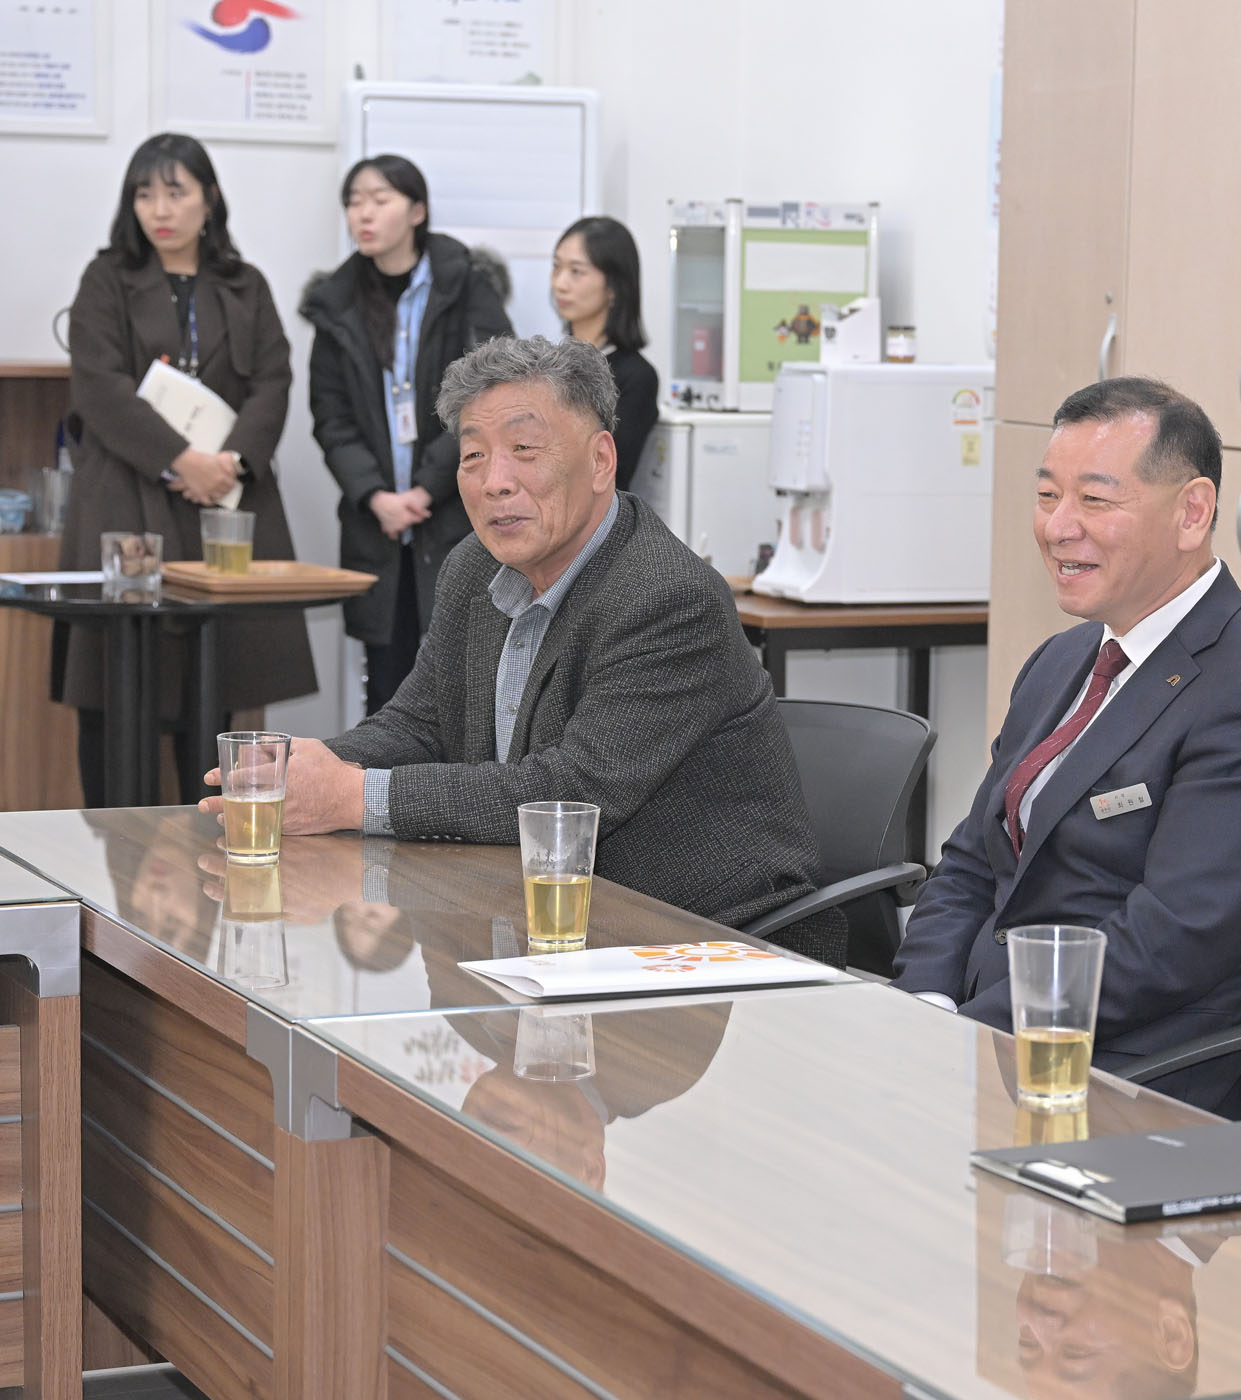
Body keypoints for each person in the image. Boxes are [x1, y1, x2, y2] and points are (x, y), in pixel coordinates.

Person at [199, 335, 844, 965]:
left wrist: (351, 795)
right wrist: (307, 772)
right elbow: (419, 724)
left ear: (601, 460)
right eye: (473, 456)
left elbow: (569, 793)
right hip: (543, 927)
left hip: (710, 951)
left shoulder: (668, 597)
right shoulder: (473, 568)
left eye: (524, 450)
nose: (495, 482)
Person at [890, 377, 1241, 1119]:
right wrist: (924, 1002)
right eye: (1047, 496)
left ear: (1192, 513)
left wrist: (970, 1037)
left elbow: (1167, 945)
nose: (1058, 527)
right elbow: (973, 858)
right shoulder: (1064, 660)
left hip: (1133, 1080)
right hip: (991, 1038)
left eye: (1095, 501)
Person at [60, 132, 317, 804]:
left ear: (209, 198)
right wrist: (180, 460)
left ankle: (214, 830)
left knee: (218, 676)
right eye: (144, 194)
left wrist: (229, 463)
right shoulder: (106, 278)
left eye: (175, 192)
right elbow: (98, 386)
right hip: (128, 496)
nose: (159, 209)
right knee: (115, 683)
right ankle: (112, 846)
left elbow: (273, 380)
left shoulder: (245, 283)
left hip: (224, 504)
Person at [302, 153, 514, 715]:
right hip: (378, 526)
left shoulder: (465, 285)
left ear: (417, 211)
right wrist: (376, 496)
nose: (363, 214)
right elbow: (331, 416)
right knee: (389, 694)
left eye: (380, 199)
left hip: (456, 514)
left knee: (470, 686)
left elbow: (488, 393)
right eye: (354, 202)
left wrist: (426, 488)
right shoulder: (337, 302)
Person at [551, 216, 658, 490]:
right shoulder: (548, 366)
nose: (560, 283)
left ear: (613, 286)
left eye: (576, 271)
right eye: (556, 267)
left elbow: (607, 470)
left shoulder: (636, 377)